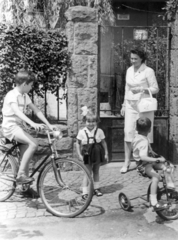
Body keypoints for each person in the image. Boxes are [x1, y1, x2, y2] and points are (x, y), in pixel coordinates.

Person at [1, 69, 54, 197]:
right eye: (30, 85)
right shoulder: (12, 95)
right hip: (10, 127)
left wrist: (49, 124)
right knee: (34, 143)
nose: (31, 87)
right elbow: (17, 112)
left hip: (19, 127)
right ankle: (20, 176)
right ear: (24, 84)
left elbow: (36, 110)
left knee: (26, 156)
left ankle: (24, 189)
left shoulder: (25, 96)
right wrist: (33, 124)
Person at [120, 48, 159, 173]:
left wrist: (143, 90)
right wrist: (124, 105)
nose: (133, 61)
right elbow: (127, 88)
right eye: (131, 58)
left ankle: (144, 163)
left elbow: (155, 88)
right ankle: (127, 161)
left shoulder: (148, 71)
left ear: (141, 59)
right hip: (131, 104)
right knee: (128, 132)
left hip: (144, 105)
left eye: (135, 59)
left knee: (144, 133)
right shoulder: (129, 70)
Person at [132, 117, 175, 210]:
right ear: (150, 129)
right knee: (156, 177)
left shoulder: (141, 136)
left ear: (136, 129)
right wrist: (158, 160)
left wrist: (157, 156)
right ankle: (153, 200)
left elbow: (148, 151)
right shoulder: (142, 141)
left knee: (168, 167)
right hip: (143, 165)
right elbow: (143, 157)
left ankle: (170, 186)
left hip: (148, 162)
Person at [76, 106, 109, 199]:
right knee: (87, 172)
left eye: (93, 121)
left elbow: (103, 142)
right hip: (87, 152)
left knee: (96, 171)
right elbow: (77, 143)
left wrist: (106, 153)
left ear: (96, 121)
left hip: (97, 152)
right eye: (88, 121)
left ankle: (97, 188)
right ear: (84, 122)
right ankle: (84, 191)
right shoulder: (82, 132)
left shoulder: (99, 131)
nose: (91, 124)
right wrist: (79, 154)